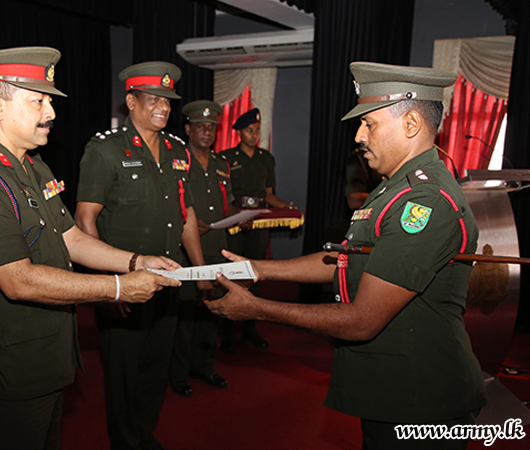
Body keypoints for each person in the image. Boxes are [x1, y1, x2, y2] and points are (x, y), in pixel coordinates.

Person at [206, 62, 488, 449]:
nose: (359, 135)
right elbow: (346, 259)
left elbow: (362, 320)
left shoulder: (425, 203)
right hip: (394, 390)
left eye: (369, 123)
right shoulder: (394, 188)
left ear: (410, 124)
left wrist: (257, 309)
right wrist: (257, 268)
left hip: (422, 402)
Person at [0, 47, 181, 450]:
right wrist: (119, 288)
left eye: (49, 101)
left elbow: (71, 238)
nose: (50, 112)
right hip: (8, 369)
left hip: (44, 359)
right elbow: (18, 280)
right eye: (38, 100)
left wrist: (136, 261)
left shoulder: (34, 167)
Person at [75, 61, 210, 450]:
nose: (163, 107)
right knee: (123, 370)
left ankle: (143, 433)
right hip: (126, 282)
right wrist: (108, 288)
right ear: (130, 101)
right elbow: (86, 220)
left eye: (167, 100)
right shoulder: (105, 150)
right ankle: (125, 440)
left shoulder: (177, 151)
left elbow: (186, 216)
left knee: (155, 365)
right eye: (153, 98)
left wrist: (200, 269)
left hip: (168, 280)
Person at [169, 100, 239, 397]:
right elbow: (169, 202)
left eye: (212, 127)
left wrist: (241, 216)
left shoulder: (223, 164)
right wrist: (185, 219)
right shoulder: (175, 161)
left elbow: (228, 203)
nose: (207, 132)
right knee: (185, 314)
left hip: (217, 248)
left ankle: (204, 366)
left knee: (213, 311)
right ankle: (178, 373)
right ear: (188, 129)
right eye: (201, 127)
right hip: (186, 252)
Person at [221, 107, 295, 352]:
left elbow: (269, 196)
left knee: (255, 273)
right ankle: (228, 331)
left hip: (259, 225)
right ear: (239, 132)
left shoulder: (266, 158)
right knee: (232, 274)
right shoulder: (226, 158)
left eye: (257, 131)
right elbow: (225, 197)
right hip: (235, 225)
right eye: (249, 131)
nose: (254, 135)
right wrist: (236, 215)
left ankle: (251, 327)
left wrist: (287, 207)